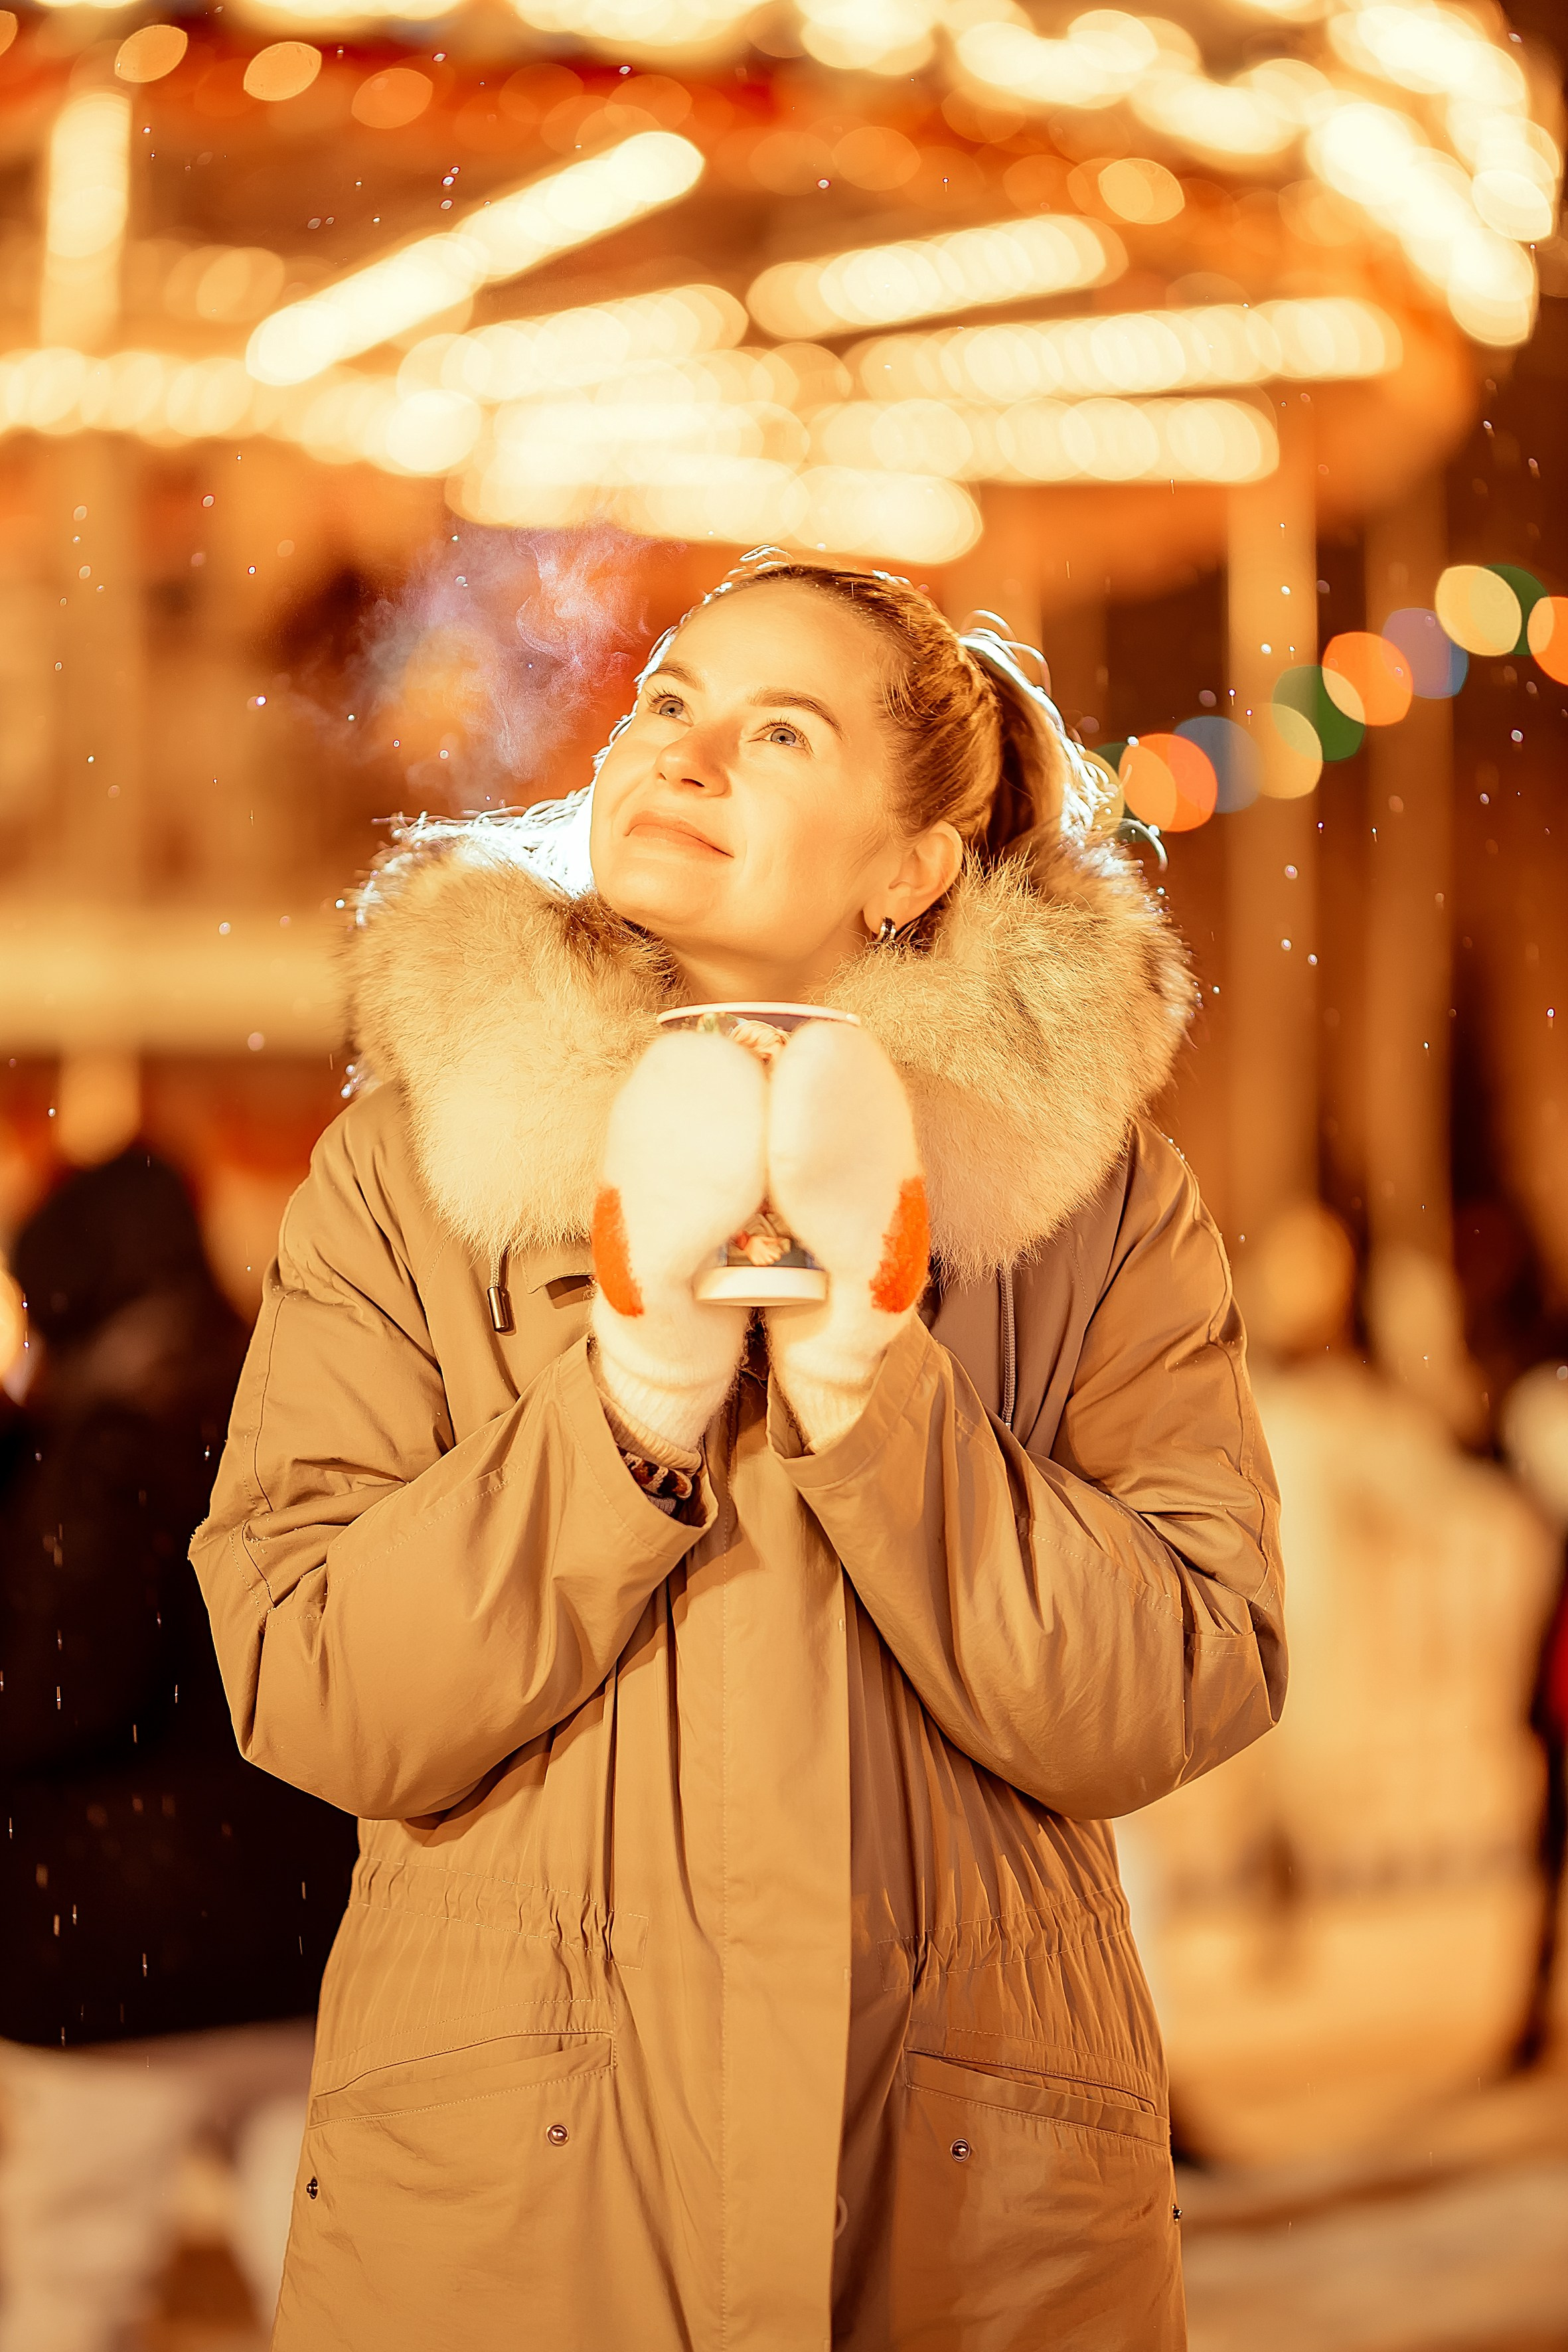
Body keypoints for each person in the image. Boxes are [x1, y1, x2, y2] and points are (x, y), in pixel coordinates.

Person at [193, 553, 1285, 2350]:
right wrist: (621, 1404)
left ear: (914, 862)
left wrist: (875, 1395)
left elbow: (1179, 1675)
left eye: (774, 732)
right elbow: (307, 1680)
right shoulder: (406, 1179)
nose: (678, 755)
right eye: (667, 705)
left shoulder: (1095, 1205)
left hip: (967, 2202)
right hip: (518, 2205)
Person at [0, 1148, 358, 2351]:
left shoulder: (98, 1459)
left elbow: (50, 1692)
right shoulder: (292, 1408)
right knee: (326, 2301)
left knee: (63, 2300)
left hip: (105, 1978)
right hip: (307, 1957)